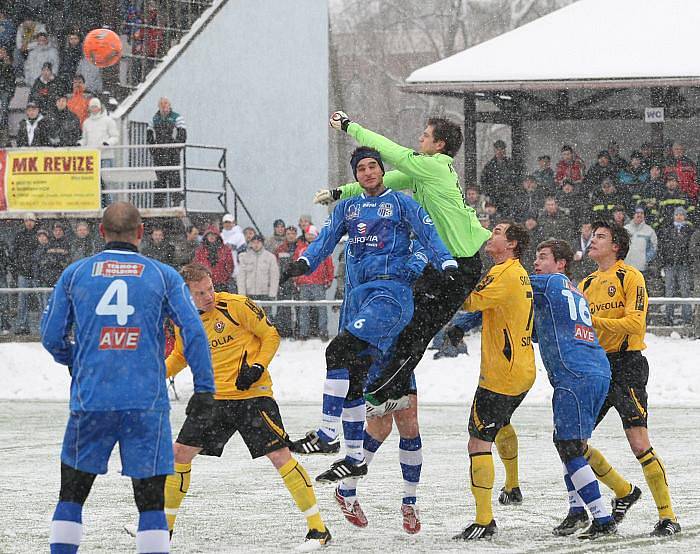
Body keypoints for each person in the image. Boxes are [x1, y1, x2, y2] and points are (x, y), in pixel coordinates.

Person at [40, 201, 216, 554]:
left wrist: (78, 361)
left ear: (101, 233)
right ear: (140, 233)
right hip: (145, 402)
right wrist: (204, 389)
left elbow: (51, 336)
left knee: (72, 494)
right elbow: (194, 331)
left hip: (93, 399)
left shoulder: (75, 274)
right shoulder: (162, 275)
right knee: (150, 503)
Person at [289, 146, 457, 484]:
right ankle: (353, 458)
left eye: (372, 166)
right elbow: (324, 241)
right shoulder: (347, 208)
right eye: (361, 168)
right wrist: (303, 264)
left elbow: (429, 237)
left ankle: (328, 435)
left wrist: (446, 263)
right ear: (355, 176)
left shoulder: (402, 203)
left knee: (340, 354)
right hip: (360, 300)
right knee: (353, 372)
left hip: (390, 296)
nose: (368, 172)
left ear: (381, 170)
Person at [315, 112, 490, 413]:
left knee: (417, 329)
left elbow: (388, 150)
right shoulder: (425, 170)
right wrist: (338, 193)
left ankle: (386, 392)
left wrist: (349, 126)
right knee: (402, 317)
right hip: (442, 263)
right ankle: (389, 385)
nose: (419, 139)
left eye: (425, 135)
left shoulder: (434, 166)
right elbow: (383, 180)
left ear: (439, 145)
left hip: (460, 266)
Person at [155, 263, 332, 550]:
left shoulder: (236, 305)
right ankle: (164, 529)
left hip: (252, 394)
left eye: (210, 288)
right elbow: (180, 355)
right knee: (180, 453)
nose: (209, 296)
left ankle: (318, 529)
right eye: (200, 293)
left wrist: (257, 366)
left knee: (280, 455)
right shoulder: (181, 318)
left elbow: (271, 335)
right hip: (214, 398)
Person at [580, 221, 680, 536]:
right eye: (592, 236)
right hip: (596, 367)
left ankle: (669, 517)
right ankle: (623, 491)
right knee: (573, 442)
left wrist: (592, 320)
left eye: (600, 237)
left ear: (616, 246)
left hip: (627, 367)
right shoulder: (586, 283)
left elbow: (635, 324)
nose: (592, 240)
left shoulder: (630, 276)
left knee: (638, 442)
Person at [447, 222, 535, 541]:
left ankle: (484, 520)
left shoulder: (505, 274)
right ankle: (512, 486)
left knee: (478, 441)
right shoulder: (512, 271)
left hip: (501, 375)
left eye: (497, 232)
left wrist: (446, 276)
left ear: (510, 244)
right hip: (521, 369)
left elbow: (471, 301)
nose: (490, 234)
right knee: (501, 424)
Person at [530, 239, 616, 539]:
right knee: (569, 444)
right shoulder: (572, 290)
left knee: (568, 446)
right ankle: (577, 510)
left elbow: (513, 282)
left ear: (561, 264)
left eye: (543, 257)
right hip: (596, 368)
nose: (536, 263)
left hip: (574, 373)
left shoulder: (548, 282)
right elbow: (549, 331)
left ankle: (602, 519)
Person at [293, 226, 333, 340]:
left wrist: (329, 279)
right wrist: (296, 279)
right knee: (303, 309)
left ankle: (323, 332)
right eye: (307, 234)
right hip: (304, 283)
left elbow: (329, 265)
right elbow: (295, 265)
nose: (309, 236)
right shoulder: (300, 248)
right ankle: (303, 332)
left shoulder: (322, 248)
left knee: (322, 308)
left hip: (319, 283)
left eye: (312, 234)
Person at [146, 97, 186, 207]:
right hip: (159, 153)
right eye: (162, 104)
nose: (164, 106)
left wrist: (176, 149)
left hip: (172, 153)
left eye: (166, 103)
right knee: (159, 178)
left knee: (174, 175)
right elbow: (149, 137)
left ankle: (176, 199)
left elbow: (182, 135)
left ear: (169, 105)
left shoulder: (177, 117)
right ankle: (158, 203)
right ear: (158, 106)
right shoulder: (154, 119)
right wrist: (154, 150)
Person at [657, 207, 693, 326]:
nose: (679, 217)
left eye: (681, 215)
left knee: (685, 291)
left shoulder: (689, 230)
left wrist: (688, 260)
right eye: (677, 214)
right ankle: (668, 317)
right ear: (673, 216)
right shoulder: (667, 229)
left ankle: (687, 318)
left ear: (685, 217)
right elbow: (662, 247)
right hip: (670, 264)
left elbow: (691, 248)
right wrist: (663, 263)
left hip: (684, 265)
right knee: (669, 291)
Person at [12, 213, 39, 334]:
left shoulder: (39, 235)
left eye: (31, 220)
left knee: (41, 299)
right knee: (22, 300)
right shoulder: (19, 235)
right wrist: (17, 268)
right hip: (23, 272)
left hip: (37, 273)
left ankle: (43, 325)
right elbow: (15, 254)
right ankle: (22, 325)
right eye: (27, 220)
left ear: (35, 222)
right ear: (23, 221)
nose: (29, 222)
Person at [479, 139, 519, 214]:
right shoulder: (489, 166)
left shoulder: (511, 164)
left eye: (501, 149)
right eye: (497, 149)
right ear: (495, 150)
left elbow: (516, 180)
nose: (500, 152)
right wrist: (488, 193)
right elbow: (484, 181)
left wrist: (512, 191)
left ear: (505, 151)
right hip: (494, 197)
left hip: (509, 198)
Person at [274, 225, 300, 337]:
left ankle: (298, 331)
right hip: (284, 282)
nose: (290, 236)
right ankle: (285, 330)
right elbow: (275, 266)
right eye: (288, 234)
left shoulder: (300, 247)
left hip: (297, 282)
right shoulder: (280, 249)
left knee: (299, 308)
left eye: (293, 234)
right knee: (283, 307)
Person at [237, 234, 280, 302]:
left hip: (265, 294)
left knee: (264, 313)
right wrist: (241, 294)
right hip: (249, 294)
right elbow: (241, 277)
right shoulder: (245, 257)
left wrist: (272, 294)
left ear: (262, 243)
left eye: (258, 242)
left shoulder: (270, 257)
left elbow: (274, 277)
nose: (256, 245)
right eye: (253, 242)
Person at [194, 226, 234, 292]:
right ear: (206, 236)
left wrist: (224, 278)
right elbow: (197, 266)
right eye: (209, 235)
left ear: (217, 236)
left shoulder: (225, 250)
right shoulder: (200, 251)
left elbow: (230, 265)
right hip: (205, 283)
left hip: (221, 284)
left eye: (214, 235)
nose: (211, 237)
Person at [624, 207, 657, 277]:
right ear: (633, 215)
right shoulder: (626, 229)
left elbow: (654, 247)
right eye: (637, 213)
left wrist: (646, 259)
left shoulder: (649, 231)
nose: (639, 215)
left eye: (642, 213)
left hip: (641, 268)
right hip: (626, 267)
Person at [0, 46, 15, 147]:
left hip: (5, 91)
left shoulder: (10, 66)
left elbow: (11, 84)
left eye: (3, 51)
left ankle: (3, 133)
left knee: (4, 107)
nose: (1, 53)